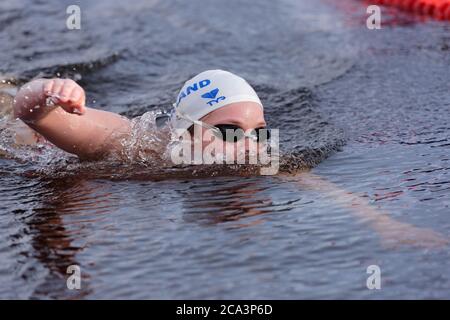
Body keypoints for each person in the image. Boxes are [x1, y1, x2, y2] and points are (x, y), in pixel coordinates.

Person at [13, 70, 269, 161]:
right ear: (185, 132)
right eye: (229, 131)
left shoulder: (258, 158)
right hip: (22, 134)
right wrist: (48, 91)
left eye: (260, 133)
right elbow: (31, 114)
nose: (250, 145)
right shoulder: (127, 145)